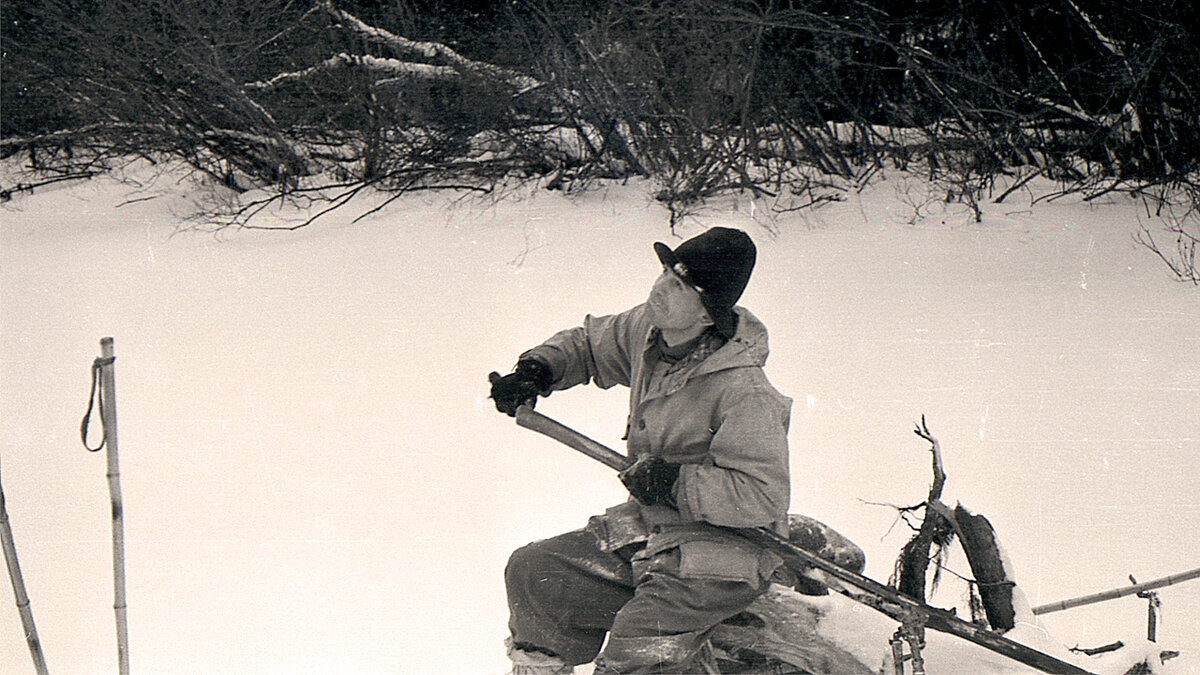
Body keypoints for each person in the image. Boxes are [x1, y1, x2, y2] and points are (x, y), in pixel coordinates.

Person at [490, 227, 794, 674]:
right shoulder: (651, 333)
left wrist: (674, 482)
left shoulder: (745, 392)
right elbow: (590, 346)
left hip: (722, 554)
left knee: (636, 655)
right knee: (536, 572)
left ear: (708, 314)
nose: (660, 288)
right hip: (650, 528)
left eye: (680, 286)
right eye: (666, 274)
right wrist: (538, 369)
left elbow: (761, 495)